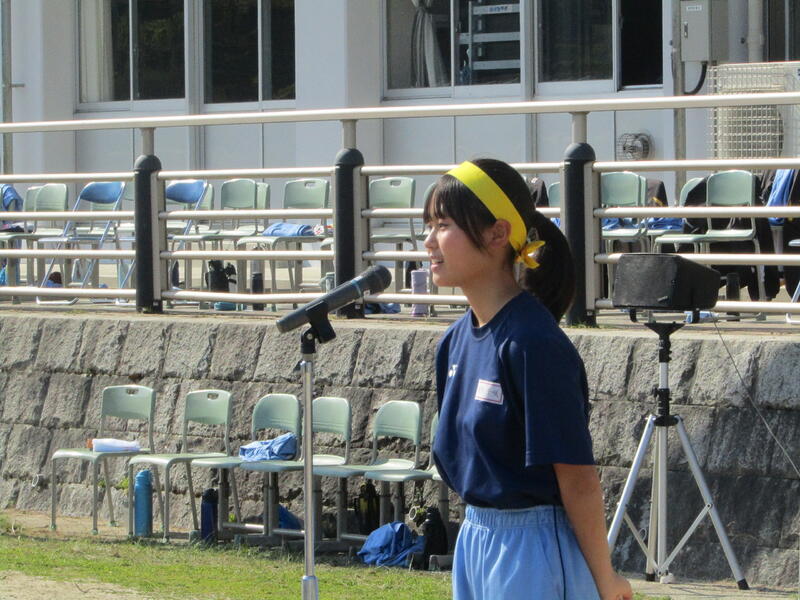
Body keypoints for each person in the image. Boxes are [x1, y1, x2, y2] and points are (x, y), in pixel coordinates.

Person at [425, 158, 632, 600]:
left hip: (533, 549)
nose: (428, 241)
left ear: (497, 233)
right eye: (429, 226)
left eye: (443, 225)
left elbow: (577, 478)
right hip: (474, 538)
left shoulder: (533, 343)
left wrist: (605, 579)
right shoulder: (454, 342)